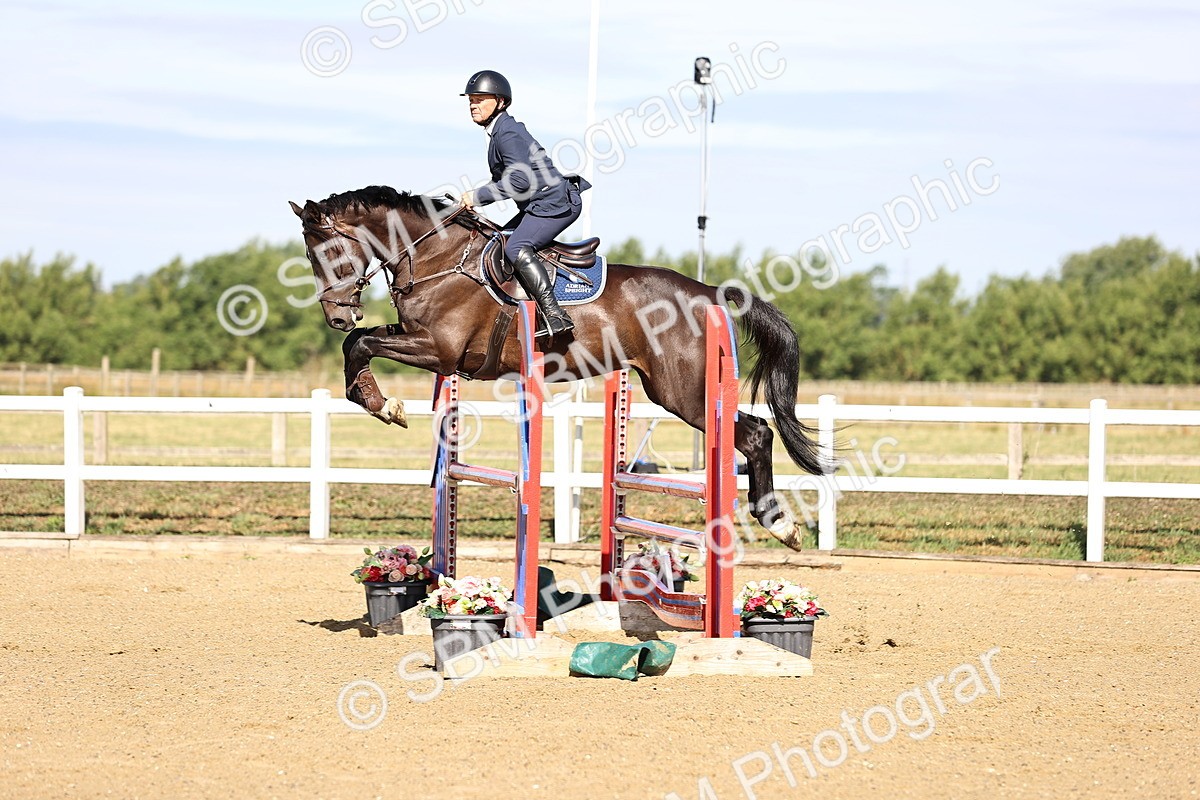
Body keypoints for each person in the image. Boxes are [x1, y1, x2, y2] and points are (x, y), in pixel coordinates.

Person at [458, 70, 591, 337]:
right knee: (498, 240)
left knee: (516, 247)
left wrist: (477, 197)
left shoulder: (507, 133)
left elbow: (519, 181)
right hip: (540, 204)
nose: (473, 104)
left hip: (554, 204)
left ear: (501, 102)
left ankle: (555, 315)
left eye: (481, 99)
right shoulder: (499, 132)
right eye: (471, 99)